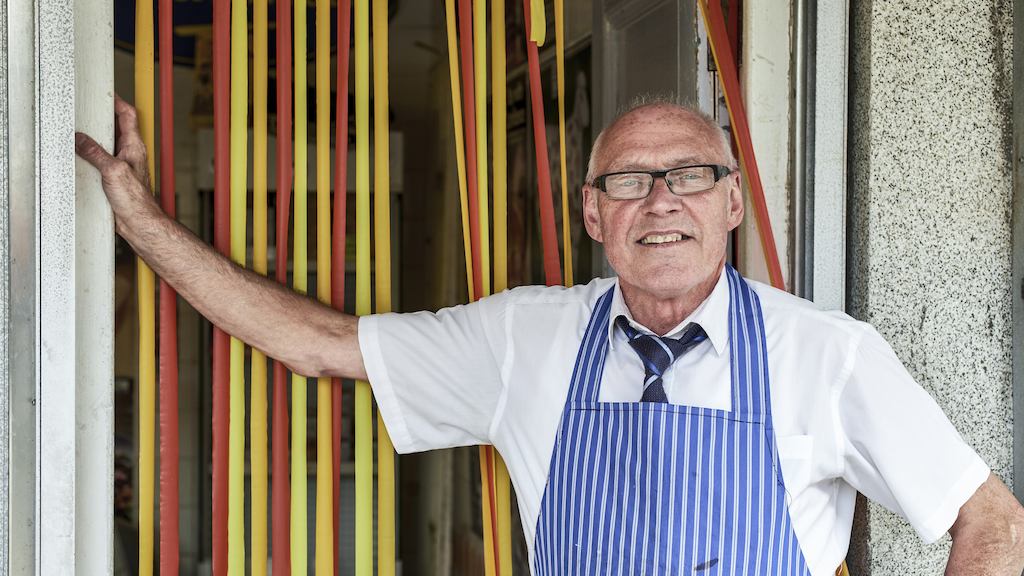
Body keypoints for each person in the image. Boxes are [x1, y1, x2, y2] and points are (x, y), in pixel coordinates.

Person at [76, 96, 1024, 575]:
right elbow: (321, 343)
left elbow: (992, 523)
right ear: (591, 214)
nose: (660, 201)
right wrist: (140, 223)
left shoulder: (827, 353)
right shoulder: (527, 339)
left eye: (691, 176)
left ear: (732, 202)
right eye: (628, 181)